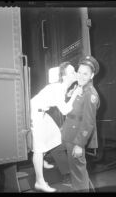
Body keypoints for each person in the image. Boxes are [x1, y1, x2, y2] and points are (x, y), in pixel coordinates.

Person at [30, 62, 82, 192]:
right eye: (72, 72)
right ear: (64, 76)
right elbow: (65, 110)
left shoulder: (61, 87)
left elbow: (57, 98)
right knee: (38, 148)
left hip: (41, 111)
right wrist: (75, 95)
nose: (75, 73)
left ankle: (41, 161)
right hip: (35, 113)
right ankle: (39, 182)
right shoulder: (59, 88)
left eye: (74, 70)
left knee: (55, 136)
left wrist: (70, 94)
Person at [61, 55, 100, 192]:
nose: (82, 76)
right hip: (70, 134)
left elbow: (88, 123)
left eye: (86, 73)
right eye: (79, 72)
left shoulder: (90, 94)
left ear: (92, 76)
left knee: (78, 172)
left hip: (76, 138)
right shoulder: (79, 87)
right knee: (78, 171)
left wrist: (79, 144)